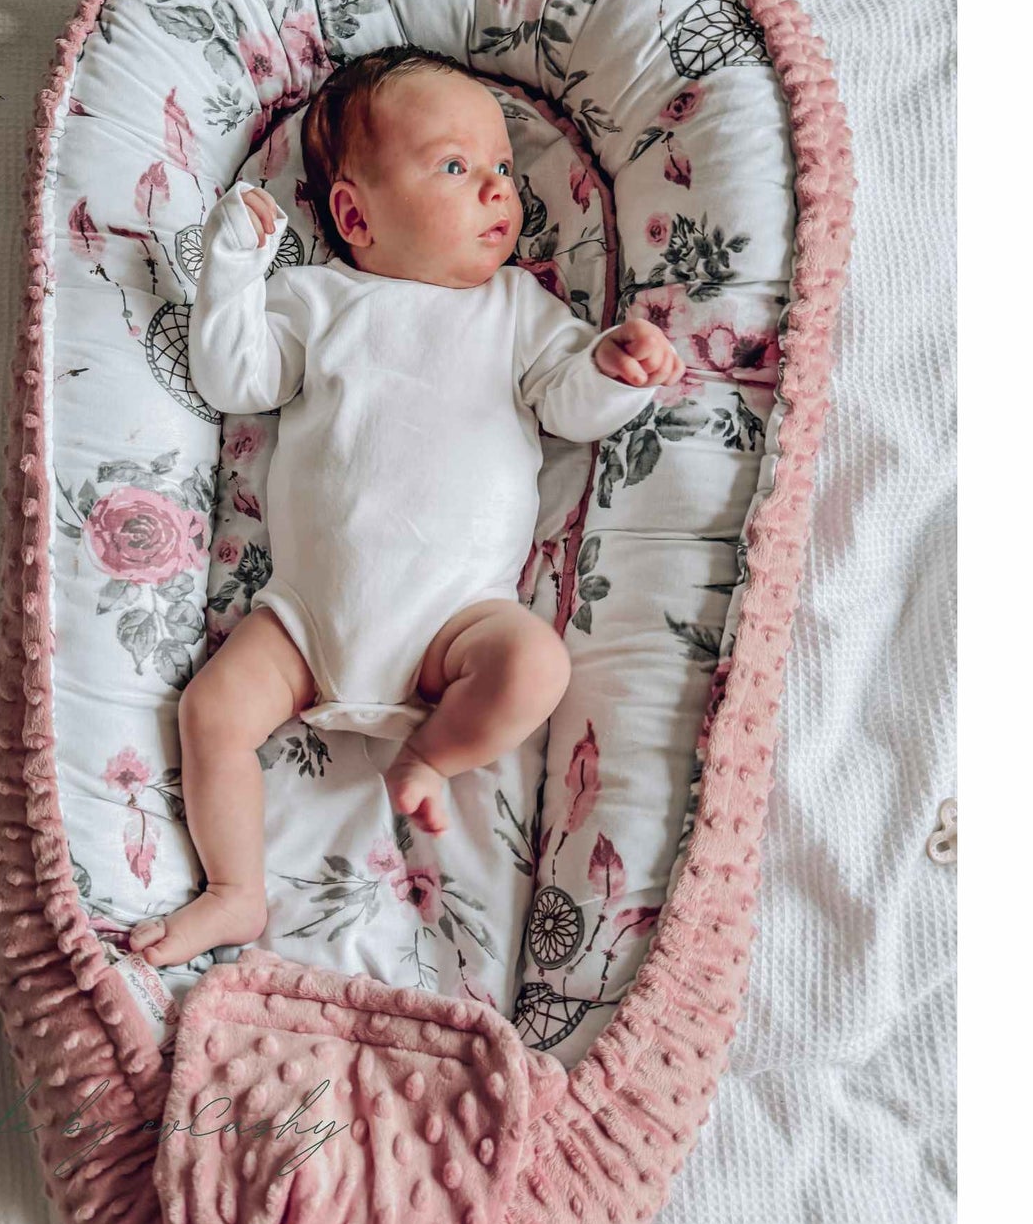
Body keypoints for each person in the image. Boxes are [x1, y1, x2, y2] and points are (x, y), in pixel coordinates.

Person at [129, 47, 685, 968]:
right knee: (212, 711)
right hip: (304, 625)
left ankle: (430, 755)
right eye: (455, 167)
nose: (498, 191)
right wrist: (232, 270)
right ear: (355, 214)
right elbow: (234, 378)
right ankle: (235, 889)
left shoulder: (518, 310)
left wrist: (613, 370)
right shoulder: (317, 299)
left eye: (503, 169)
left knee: (534, 665)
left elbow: (567, 407)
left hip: (454, 625)